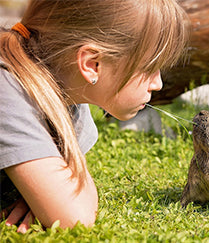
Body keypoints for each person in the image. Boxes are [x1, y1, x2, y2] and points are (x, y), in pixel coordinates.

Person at [0, 0, 190, 233]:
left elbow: (70, 187)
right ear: (92, 64)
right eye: (149, 67)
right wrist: (56, 197)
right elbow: (75, 217)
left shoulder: (70, 94)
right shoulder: (6, 90)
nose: (158, 83)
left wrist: (43, 193)